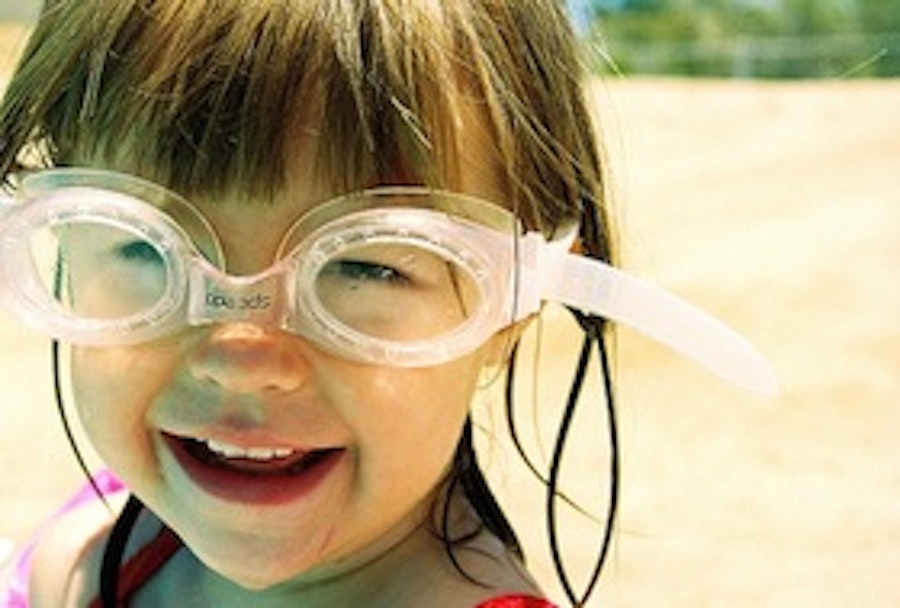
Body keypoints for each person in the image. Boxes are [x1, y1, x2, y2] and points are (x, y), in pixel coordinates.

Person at [0, 1, 775, 606]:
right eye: (144, 246)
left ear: (516, 304)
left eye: (364, 267)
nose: (241, 358)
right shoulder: (98, 541)